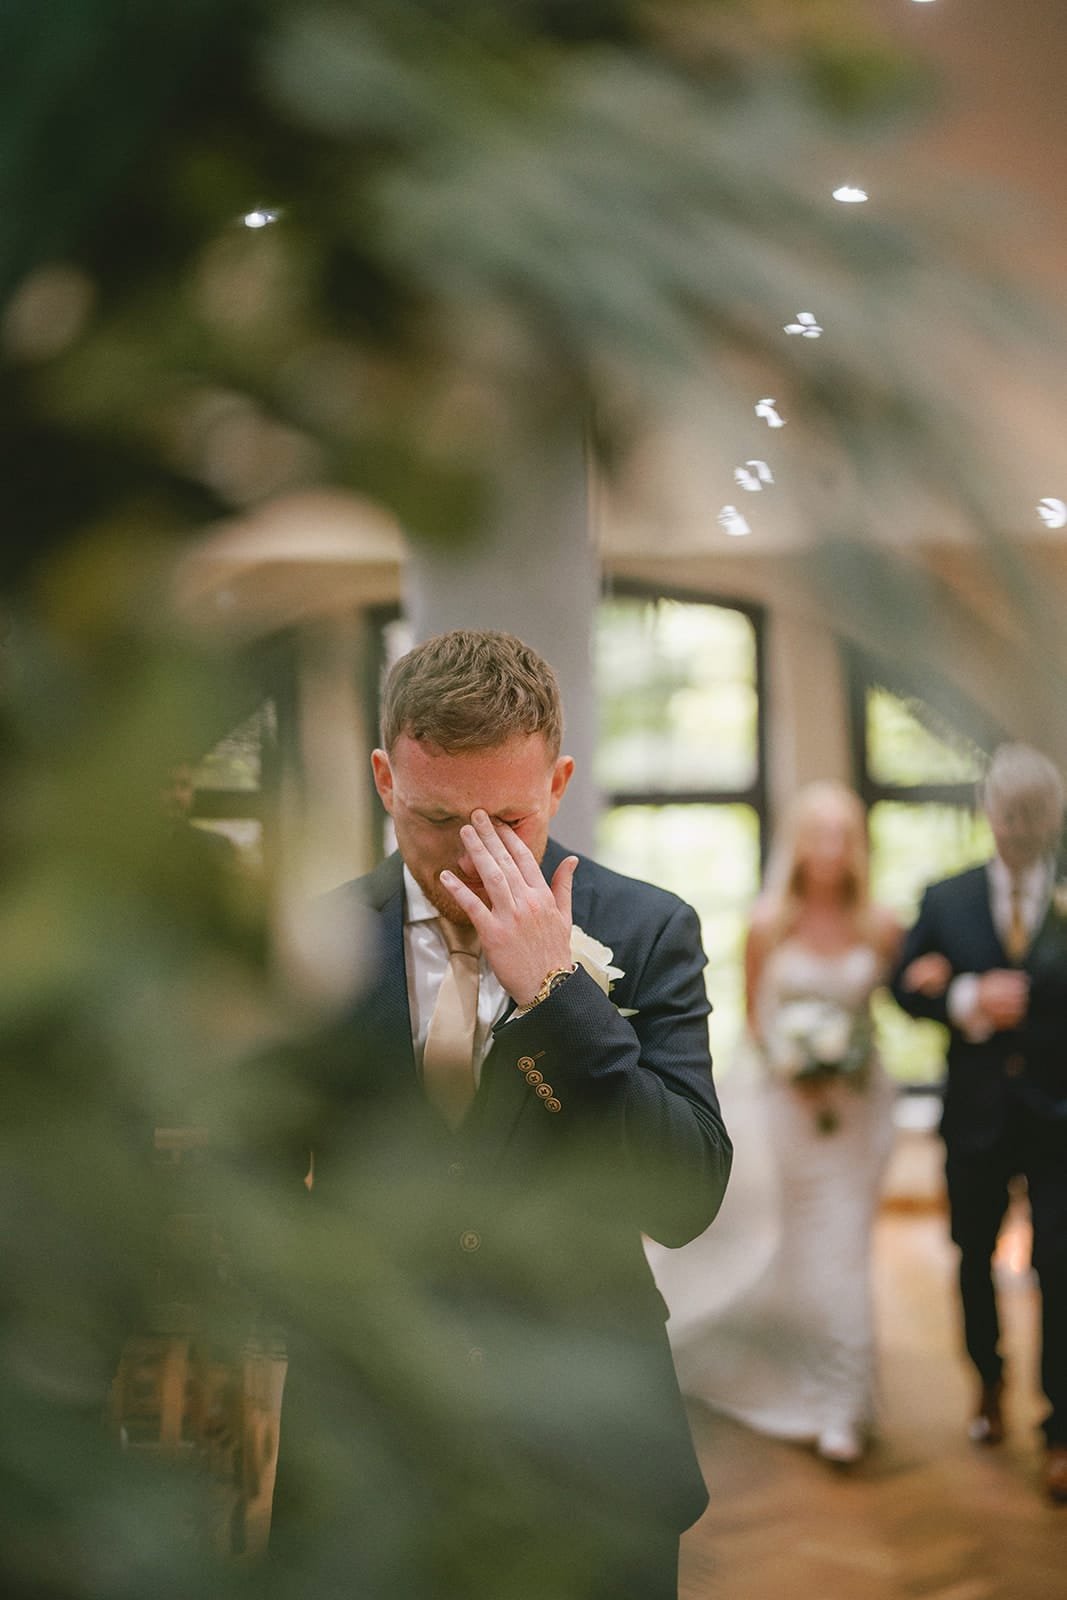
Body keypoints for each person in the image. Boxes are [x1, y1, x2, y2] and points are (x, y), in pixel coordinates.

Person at [266, 629, 732, 1600]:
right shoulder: (311, 941)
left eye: (508, 819)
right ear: (385, 778)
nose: (472, 854)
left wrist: (562, 995)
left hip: (592, 1441)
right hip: (373, 1441)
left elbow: (683, 1197)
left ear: (557, 783)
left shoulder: (648, 932)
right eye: (437, 819)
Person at [657, 782, 900, 1467]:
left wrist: (844, 1064)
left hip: (858, 1111)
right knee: (800, 1248)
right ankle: (790, 1373)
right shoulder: (768, 924)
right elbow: (757, 1021)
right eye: (817, 834)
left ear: (855, 847)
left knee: (846, 1248)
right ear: (797, 843)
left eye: (841, 835)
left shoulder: (881, 925)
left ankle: (843, 1404)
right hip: (789, 1111)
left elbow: (886, 1007)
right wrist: (796, 1069)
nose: (829, 849)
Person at [891, 743, 1067, 1504]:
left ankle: (1060, 1427)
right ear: (986, 811)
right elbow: (901, 984)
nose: (1020, 829)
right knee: (971, 1255)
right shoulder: (945, 898)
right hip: (974, 1118)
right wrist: (963, 998)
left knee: (1059, 1268)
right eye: (1009, 814)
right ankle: (987, 1385)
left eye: (1035, 817)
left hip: (1061, 1116)